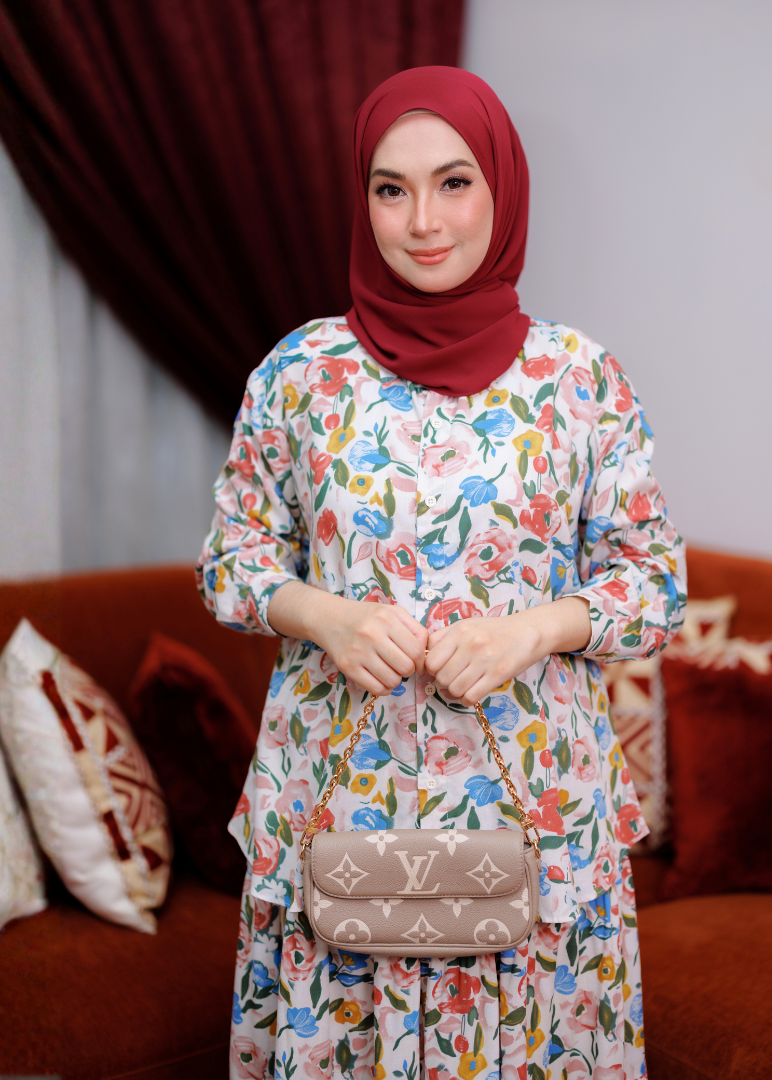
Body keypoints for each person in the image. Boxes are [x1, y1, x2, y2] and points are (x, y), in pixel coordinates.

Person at [197, 65, 685, 1080]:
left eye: (454, 182)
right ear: (363, 199)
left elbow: (653, 584)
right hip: (342, 806)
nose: (422, 221)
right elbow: (231, 561)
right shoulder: (299, 375)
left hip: (536, 817)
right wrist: (324, 616)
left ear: (501, 189)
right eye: (392, 188)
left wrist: (532, 631)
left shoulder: (579, 379)